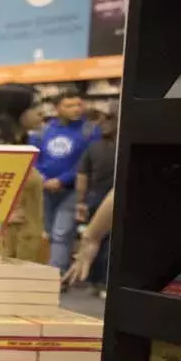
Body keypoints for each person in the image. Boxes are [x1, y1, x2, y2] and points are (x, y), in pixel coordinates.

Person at [0, 83, 47, 262]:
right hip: (5, 247)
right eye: (34, 107)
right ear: (13, 110)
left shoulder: (18, 146)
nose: (41, 112)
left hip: (23, 243)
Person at [36, 89, 99, 272]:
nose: (76, 109)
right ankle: (49, 270)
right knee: (47, 232)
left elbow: (85, 162)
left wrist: (62, 180)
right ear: (57, 108)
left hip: (73, 190)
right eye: (69, 105)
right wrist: (43, 179)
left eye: (79, 104)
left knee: (62, 232)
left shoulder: (90, 131)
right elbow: (35, 157)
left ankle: (56, 275)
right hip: (44, 188)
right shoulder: (44, 131)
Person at [76, 106, 118, 293]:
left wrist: (81, 200)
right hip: (106, 198)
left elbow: (82, 176)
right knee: (110, 244)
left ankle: (95, 281)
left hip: (98, 197)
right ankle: (102, 282)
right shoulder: (119, 148)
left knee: (99, 243)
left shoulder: (94, 147)